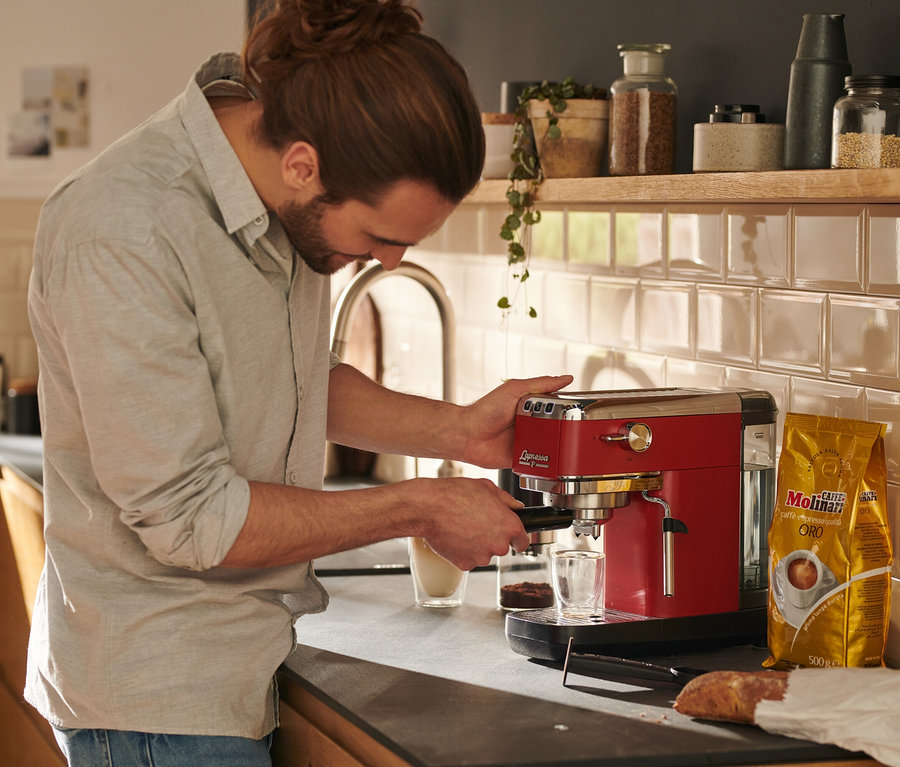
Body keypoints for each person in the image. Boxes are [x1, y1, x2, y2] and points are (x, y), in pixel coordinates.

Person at [24, 1, 572, 764]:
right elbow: (193, 518)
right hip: (158, 702)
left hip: (243, 663)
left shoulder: (280, 206)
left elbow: (283, 378)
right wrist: (420, 507)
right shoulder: (125, 227)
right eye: (381, 238)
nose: (387, 262)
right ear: (303, 164)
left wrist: (456, 430)